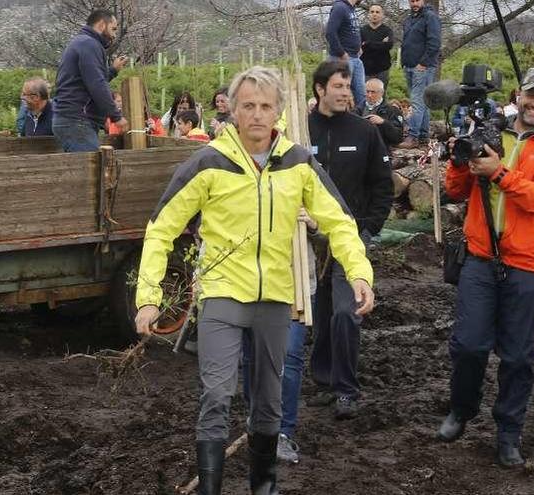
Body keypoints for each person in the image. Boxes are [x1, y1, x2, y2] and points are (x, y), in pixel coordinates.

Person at [134, 66, 375, 495]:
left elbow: (339, 221)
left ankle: (263, 487)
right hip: (223, 294)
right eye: (249, 106)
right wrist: (148, 297)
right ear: (233, 110)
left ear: (279, 110)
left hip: (276, 299)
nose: (257, 115)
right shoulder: (209, 162)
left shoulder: (299, 162)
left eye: (266, 106)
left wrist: (358, 273)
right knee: (217, 394)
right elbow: (161, 227)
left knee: (269, 401)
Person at [435, 67, 534, 468]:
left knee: (517, 356)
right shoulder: (491, 132)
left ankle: (508, 432)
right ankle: (461, 409)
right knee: (468, 345)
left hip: (528, 264)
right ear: (519, 93)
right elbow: (455, 190)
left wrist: (499, 173)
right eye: (531, 94)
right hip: (480, 257)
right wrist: (463, 160)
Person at [308, 60, 392, 419]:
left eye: (348, 87)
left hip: (349, 238)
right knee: (321, 311)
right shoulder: (301, 130)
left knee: (346, 311)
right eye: (339, 86)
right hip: (309, 240)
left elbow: (382, 185)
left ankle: (347, 389)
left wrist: (369, 229)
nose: (346, 93)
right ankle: (325, 381)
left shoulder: (363, 132)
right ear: (320, 89)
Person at [242, 208, 318, 464]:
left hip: (297, 282)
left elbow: (339, 225)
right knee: (253, 355)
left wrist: (314, 224)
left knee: (289, 354)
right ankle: (258, 421)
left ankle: (282, 432)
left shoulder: (309, 172)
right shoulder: (236, 171)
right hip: (248, 281)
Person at [53, 9, 128, 151]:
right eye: (113, 29)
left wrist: (112, 70)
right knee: (89, 171)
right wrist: (116, 116)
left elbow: (88, 81)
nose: (114, 35)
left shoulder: (81, 43)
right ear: (101, 25)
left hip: (71, 118)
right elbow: (97, 85)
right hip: (78, 120)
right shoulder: (89, 44)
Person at [397, 0, 440, 149]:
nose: (414, 3)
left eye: (417, 0)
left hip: (422, 67)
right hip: (408, 65)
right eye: (411, 0)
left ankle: (412, 136)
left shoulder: (430, 17)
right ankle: (423, 136)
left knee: (416, 102)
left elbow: (434, 42)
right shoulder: (409, 19)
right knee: (423, 103)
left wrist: (423, 63)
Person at [325, 0, 365, 111]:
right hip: (341, 59)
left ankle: (361, 124)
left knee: (361, 96)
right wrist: (341, 53)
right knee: (341, 95)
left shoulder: (351, 9)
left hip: (355, 58)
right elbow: (330, 33)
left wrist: (358, 46)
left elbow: (350, 31)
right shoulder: (340, 7)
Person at [359, 78, 403, 147]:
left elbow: (398, 137)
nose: (369, 95)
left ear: (381, 92)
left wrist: (383, 123)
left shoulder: (392, 111)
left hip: (381, 149)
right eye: (367, 92)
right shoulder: (357, 109)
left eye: (373, 92)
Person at [360, 3, 394, 91]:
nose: (374, 14)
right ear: (368, 14)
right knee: (365, 96)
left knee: (381, 97)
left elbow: (389, 45)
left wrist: (368, 44)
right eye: (372, 12)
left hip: (382, 70)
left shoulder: (387, 30)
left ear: (382, 15)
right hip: (365, 70)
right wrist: (381, 44)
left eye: (377, 12)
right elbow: (359, 47)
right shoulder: (362, 30)